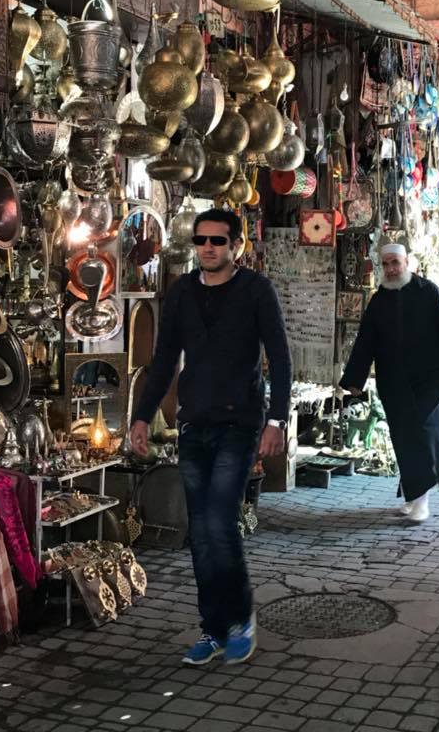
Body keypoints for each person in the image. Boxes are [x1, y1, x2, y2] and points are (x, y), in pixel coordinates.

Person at [129, 208, 291, 667]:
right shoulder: (182, 292)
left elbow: (280, 357)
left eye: (217, 241)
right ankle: (213, 628)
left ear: (236, 246)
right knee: (200, 532)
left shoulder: (256, 290)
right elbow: (164, 360)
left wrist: (277, 420)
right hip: (193, 425)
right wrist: (141, 416)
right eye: (201, 240)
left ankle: (240, 618)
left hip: (239, 424)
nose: (207, 247)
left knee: (219, 523)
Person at [341, 243, 439, 524]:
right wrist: (355, 379)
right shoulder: (379, 300)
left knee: (424, 435)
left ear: (407, 262)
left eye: (395, 263)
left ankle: (421, 499)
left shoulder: (429, 292)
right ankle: (414, 495)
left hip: (430, 381)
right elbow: (366, 342)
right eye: (386, 264)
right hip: (394, 383)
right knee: (403, 437)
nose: (390, 269)